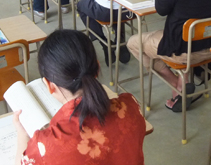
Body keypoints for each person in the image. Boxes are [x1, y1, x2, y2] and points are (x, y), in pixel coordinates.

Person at [14, 30, 146, 165]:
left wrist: (22, 134)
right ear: (97, 68)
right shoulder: (131, 106)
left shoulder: (45, 145)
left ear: (50, 85)